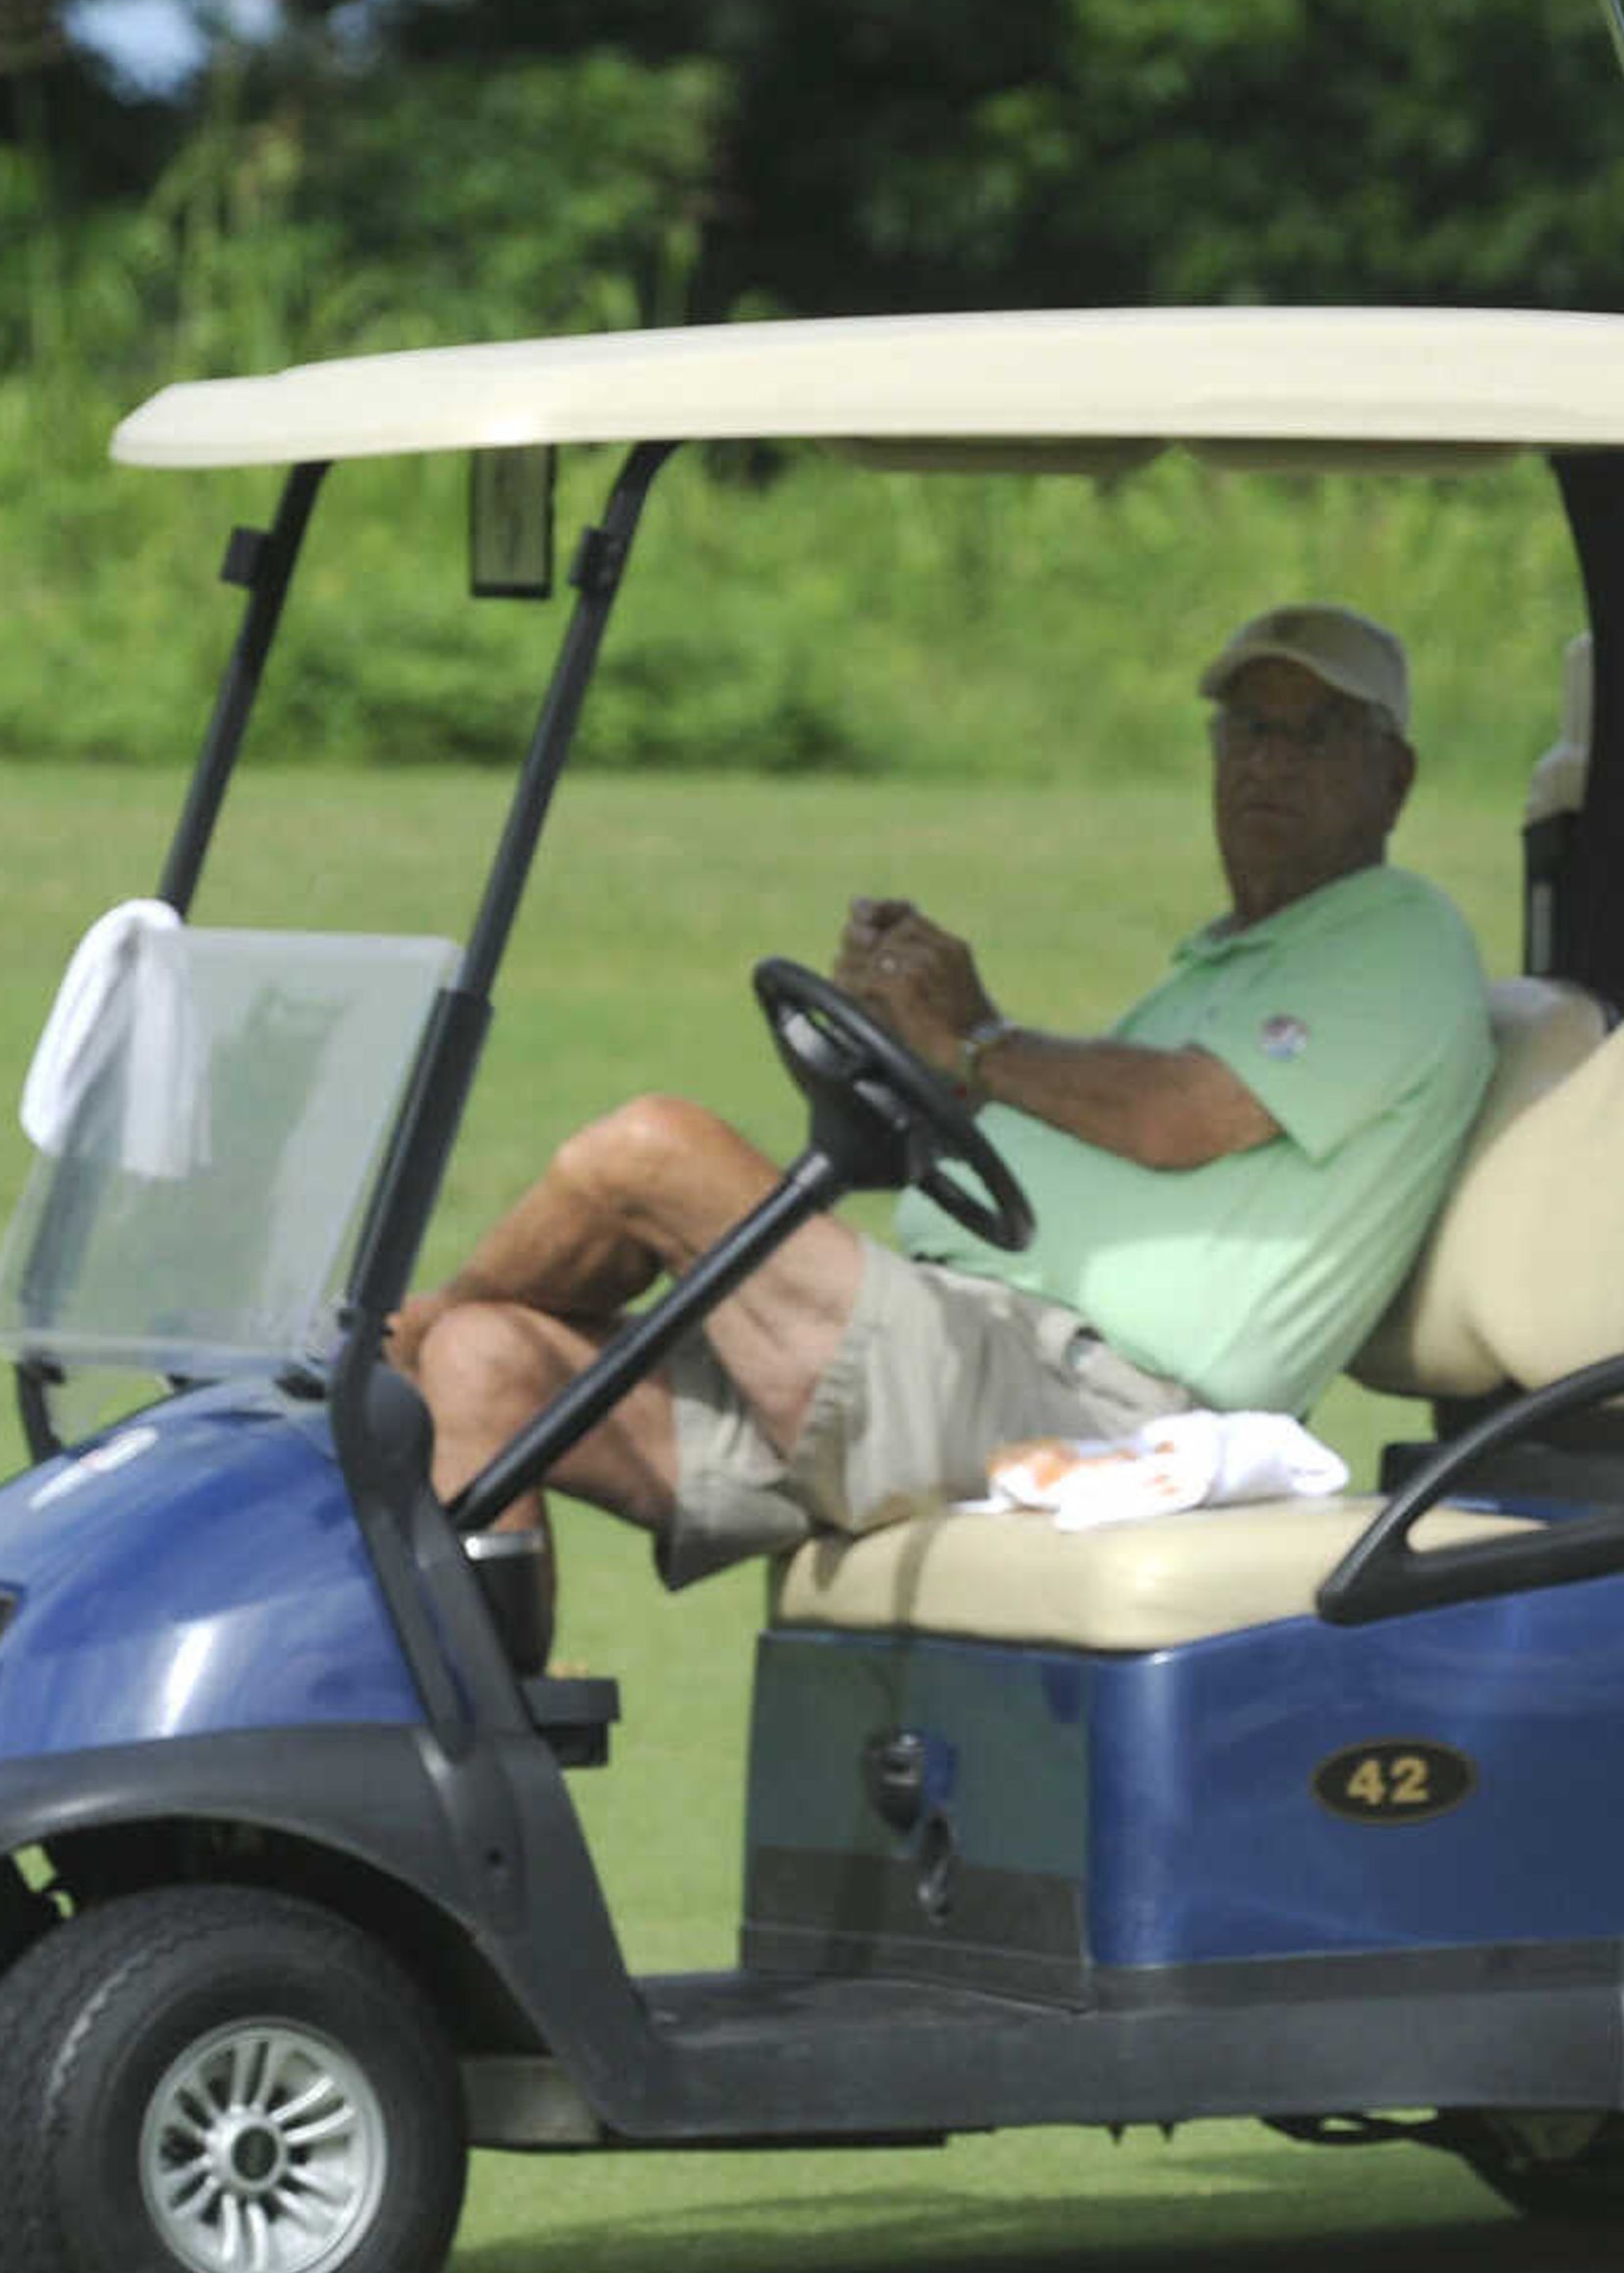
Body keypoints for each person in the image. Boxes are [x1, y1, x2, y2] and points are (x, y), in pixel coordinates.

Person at [396, 603, 1494, 1659]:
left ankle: (369, 1351)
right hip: (959, 1356)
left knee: (649, 1152)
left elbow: (1179, 1119)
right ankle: (469, 1760)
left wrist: (974, 1038)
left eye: (1315, 734)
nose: (1271, 762)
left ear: (1391, 775)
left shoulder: (1396, 939)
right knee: (483, 1359)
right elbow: (1082, 1118)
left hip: (1104, 1403)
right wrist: (924, 1047)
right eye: (1249, 730)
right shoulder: (1227, 965)